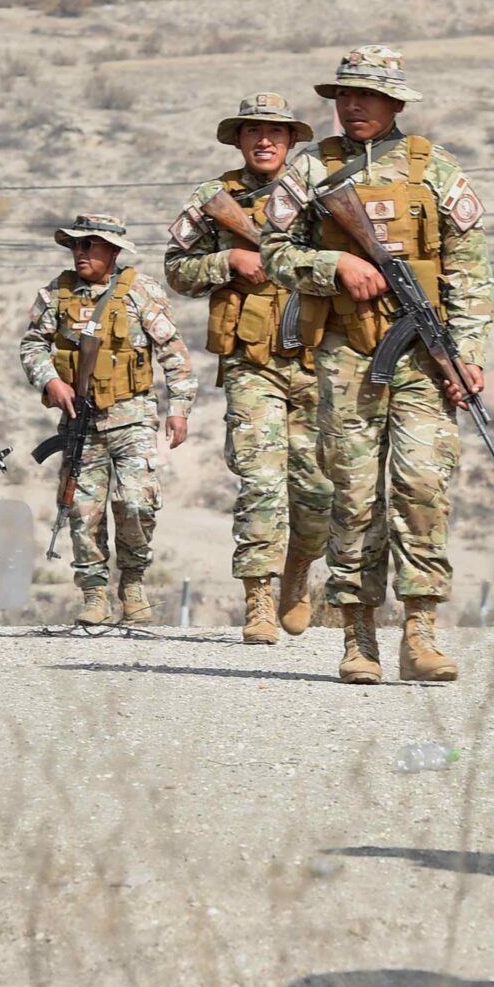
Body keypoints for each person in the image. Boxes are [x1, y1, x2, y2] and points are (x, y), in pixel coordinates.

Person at [261, 45, 493, 685]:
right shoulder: (309, 173)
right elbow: (274, 253)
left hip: (425, 355)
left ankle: (420, 633)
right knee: (354, 496)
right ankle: (358, 639)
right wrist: (333, 265)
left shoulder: (436, 170)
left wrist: (466, 355)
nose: (353, 105)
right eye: (343, 95)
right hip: (344, 356)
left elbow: (469, 271)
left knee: (423, 487)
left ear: (396, 102)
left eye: (365, 95)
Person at [164, 92, 333, 644]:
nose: (265, 141)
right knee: (261, 483)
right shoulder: (214, 199)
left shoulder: (322, 192)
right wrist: (227, 261)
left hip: (319, 361)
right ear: (237, 139)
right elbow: (176, 270)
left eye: (276, 133)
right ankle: (258, 600)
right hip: (251, 363)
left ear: (291, 141)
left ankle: (296, 574)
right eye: (253, 131)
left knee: (318, 493)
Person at [19, 216, 196, 626]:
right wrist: (51, 382)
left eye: (90, 246)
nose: (81, 253)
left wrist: (179, 408)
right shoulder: (56, 295)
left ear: (113, 252)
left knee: (136, 502)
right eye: (76, 246)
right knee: (83, 510)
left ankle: (132, 582)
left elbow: (174, 352)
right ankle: (94, 594)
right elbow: (32, 346)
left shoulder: (140, 293)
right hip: (81, 421)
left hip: (132, 417)